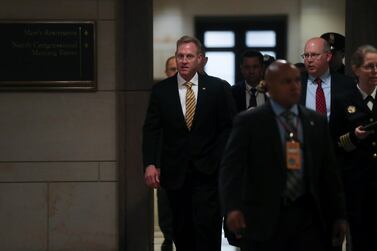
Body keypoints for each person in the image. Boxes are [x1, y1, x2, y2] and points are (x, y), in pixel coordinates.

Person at [219, 60, 348, 251]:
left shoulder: (315, 121)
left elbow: (328, 173)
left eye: (297, 80)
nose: (294, 86)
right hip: (264, 217)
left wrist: (338, 215)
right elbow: (232, 169)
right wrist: (232, 208)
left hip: (308, 216)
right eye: (286, 81)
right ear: (268, 85)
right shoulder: (249, 122)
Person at [143, 35, 236, 251]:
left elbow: (229, 128)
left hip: (209, 174)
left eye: (189, 56)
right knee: (182, 231)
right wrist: (150, 163)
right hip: (175, 174)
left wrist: (219, 158)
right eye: (180, 56)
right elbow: (151, 130)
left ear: (200, 59)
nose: (184, 61)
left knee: (208, 229)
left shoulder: (217, 88)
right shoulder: (161, 91)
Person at [333, 45, 377, 251]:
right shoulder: (343, 101)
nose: (375, 71)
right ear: (356, 69)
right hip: (357, 184)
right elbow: (333, 143)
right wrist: (353, 136)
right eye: (369, 66)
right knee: (360, 240)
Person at [300, 37, 354, 139]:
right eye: (306, 55)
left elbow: (355, 119)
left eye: (314, 55)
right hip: (304, 148)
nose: (309, 60)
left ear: (328, 56)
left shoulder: (346, 84)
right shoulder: (296, 83)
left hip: (336, 149)